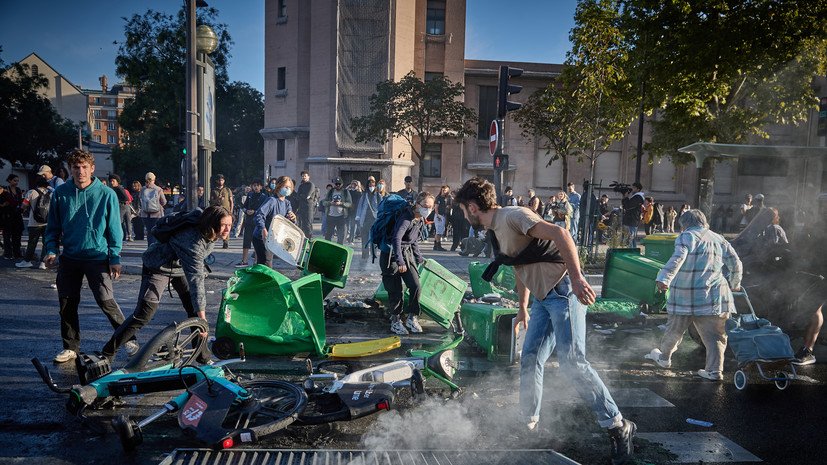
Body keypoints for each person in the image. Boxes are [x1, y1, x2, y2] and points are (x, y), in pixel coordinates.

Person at [453, 177, 635, 464]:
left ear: (473, 207)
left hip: (563, 292)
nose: (464, 216)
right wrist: (523, 307)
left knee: (573, 363)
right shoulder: (496, 229)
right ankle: (528, 423)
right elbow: (520, 264)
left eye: (464, 210)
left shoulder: (514, 216)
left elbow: (562, 234)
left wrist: (576, 279)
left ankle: (617, 424)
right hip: (541, 300)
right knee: (530, 357)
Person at [101, 205, 232, 362]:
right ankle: (108, 352)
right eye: (224, 225)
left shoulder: (208, 232)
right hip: (158, 266)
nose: (227, 229)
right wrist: (203, 320)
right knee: (144, 314)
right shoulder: (192, 241)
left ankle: (202, 357)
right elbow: (196, 280)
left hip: (179, 267)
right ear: (212, 224)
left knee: (193, 309)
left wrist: (200, 317)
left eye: (230, 225)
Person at [44, 149, 136, 363]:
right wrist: (50, 250)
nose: (80, 171)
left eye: (85, 167)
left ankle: (129, 339)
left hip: (97, 257)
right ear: (70, 169)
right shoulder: (61, 193)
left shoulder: (106, 194)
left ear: (92, 168)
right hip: (70, 257)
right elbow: (53, 227)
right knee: (67, 303)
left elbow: (115, 228)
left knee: (106, 301)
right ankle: (70, 347)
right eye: (76, 167)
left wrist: (115, 258)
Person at [646, 209, 742, 381]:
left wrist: (664, 278)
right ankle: (714, 371)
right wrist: (735, 283)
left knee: (674, 330)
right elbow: (736, 262)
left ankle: (664, 358)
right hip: (715, 296)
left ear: (684, 224)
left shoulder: (686, 236)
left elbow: (678, 258)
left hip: (686, 296)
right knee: (716, 337)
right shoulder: (719, 238)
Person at [381, 192, 434, 335]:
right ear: (417, 205)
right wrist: (400, 261)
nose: (428, 209)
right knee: (395, 290)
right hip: (391, 255)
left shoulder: (420, 220)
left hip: (406, 253)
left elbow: (413, 240)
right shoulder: (406, 218)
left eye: (430, 207)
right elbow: (396, 239)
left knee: (415, 285)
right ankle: (395, 321)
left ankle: (412, 317)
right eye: (425, 206)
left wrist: (419, 258)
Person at [252, 176, 296, 268]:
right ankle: (261, 281)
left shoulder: (287, 203)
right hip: (261, 238)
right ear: (279, 187)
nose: (288, 189)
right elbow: (259, 215)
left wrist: (293, 218)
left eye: (289, 187)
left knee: (267, 263)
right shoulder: (271, 200)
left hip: (273, 238)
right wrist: (263, 230)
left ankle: (260, 279)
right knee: (266, 264)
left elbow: (289, 221)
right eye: (285, 187)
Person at [15, 177, 51, 269]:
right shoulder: (51, 193)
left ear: (37, 184)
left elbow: (24, 205)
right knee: (46, 242)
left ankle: (27, 261)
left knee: (32, 242)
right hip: (47, 222)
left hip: (33, 222)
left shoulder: (31, 192)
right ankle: (43, 262)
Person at [239, 180, 267, 267]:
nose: (256, 187)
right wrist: (246, 211)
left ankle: (256, 260)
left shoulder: (263, 197)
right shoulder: (250, 195)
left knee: (257, 241)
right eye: (254, 185)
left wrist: (255, 212)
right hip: (248, 221)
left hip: (257, 222)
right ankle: (244, 260)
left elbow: (264, 209)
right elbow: (244, 206)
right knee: (246, 240)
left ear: (261, 187)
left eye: (258, 185)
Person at [355, 176, 383, 263]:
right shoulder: (364, 196)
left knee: (374, 241)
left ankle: (373, 257)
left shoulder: (378, 196)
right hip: (365, 221)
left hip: (375, 221)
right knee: (364, 240)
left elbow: (381, 208)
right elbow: (360, 207)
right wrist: (358, 219)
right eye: (370, 184)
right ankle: (365, 257)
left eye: (373, 184)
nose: (372, 185)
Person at [140, 172, 167, 246]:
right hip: (157, 214)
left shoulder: (142, 189)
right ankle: (155, 248)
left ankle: (150, 247)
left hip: (145, 214)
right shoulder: (158, 189)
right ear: (154, 179)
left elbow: (140, 199)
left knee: (149, 232)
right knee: (156, 232)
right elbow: (163, 202)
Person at [1, 174, 24, 259]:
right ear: (10, 180)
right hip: (7, 215)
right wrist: (3, 204)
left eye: (17, 181)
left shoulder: (18, 190)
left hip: (17, 215)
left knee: (17, 235)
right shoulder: (4, 190)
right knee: (7, 235)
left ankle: (17, 252)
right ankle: (8, 253)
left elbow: (20, 201)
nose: (16, 182)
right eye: (14, 180)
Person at [323, 177, 352, 245]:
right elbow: (324, 202)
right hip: (331, 216)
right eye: (336, 184)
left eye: (339, 184)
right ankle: (328, 249)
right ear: (334, 184)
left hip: (341, 217)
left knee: (341, 236)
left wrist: (341, 203)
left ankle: (339, 250)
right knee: (328, 235)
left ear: (342, 184)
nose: (338, 185)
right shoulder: (330, 192)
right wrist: (330, 203)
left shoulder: (345, 192)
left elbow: (349, 203)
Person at [210, 174, 234, 249]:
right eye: (219, 180)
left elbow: (231, 201)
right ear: (217, 181)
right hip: (217, 211)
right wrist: (218, 200)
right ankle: (214, 240)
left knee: (227, 226)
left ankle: (226, 242)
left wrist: (231, 211)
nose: (221, 182)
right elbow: (211, 201)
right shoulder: (214, 190)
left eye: (222, 180)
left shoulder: (227, 190)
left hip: (226, 211)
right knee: (216, 225)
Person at [108, 174, 133, 242]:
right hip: (123, 206)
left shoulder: (119, 188)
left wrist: (117, 201)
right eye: (110, 181)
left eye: (113, 181)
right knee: (123, 222)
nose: (111, 183)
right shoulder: (115, 189)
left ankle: (124, 236)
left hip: (122, 206)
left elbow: (126, 198)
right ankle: (124, 236)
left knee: (120, 222)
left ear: (117, 181)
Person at [621, 182, 645, 247]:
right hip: (631, 220)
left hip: (632, 220)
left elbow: (628, 206)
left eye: (634, 188)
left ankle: (630, 252)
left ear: (638, 189)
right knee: (631, 238)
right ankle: (633, 252)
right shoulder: (635, 197)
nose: (632, 189)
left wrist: (626, 198)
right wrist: (624, 198)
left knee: (630, 239)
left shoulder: (638, 197)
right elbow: (626, 206)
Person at [295, 171, 318, 238]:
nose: (304, 177)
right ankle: (304, 239)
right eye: (302, 176)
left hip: (309, 207)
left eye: (305, 176)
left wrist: (302, 196)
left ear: (308, 176)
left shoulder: (311, 185)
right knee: (302, 224)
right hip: (301, 207)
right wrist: (303, 196)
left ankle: (310, 238)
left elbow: (307, 196)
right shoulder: (301, 186)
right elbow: (297, 196)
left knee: (308, 224)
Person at [433, 185, 451, 251]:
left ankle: (435, 245)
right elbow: (436, 207)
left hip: (443, 215)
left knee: (440, 231)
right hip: (439, 215)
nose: (444, 192)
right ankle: (438, 245)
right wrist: (438, 215)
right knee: (439, 232)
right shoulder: (438, 198)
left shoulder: (446, 198)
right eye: (443, 190)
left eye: (445, 190)